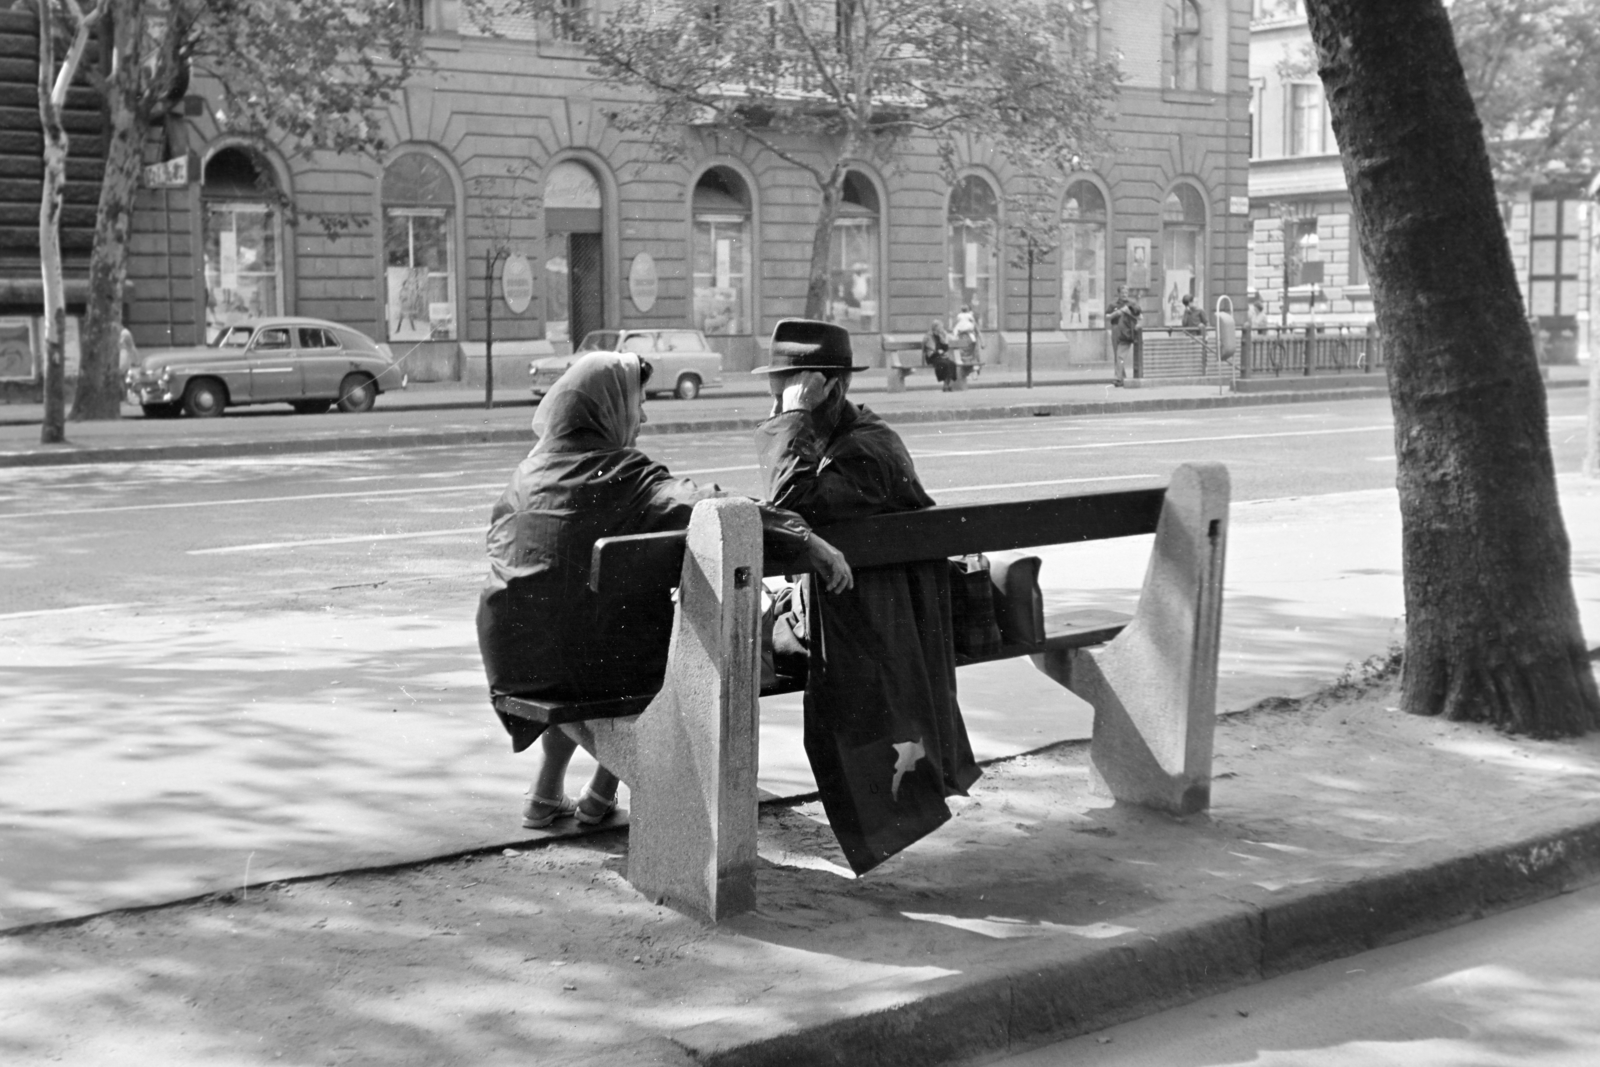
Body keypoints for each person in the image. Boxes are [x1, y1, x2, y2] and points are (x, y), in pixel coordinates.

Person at [477, 351, 853, 830]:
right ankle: (598, 794)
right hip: (597, 672)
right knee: (629, 636)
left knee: (579, 625)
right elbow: (716, 506)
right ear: (606, 409)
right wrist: (805, 537)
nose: (644, 415)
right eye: (637, 402)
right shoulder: (627, 478)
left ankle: (550, 792)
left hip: (516, 667)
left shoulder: (522, 479)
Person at [752, 319, 982, 875]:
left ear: (823, 387)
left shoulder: (865, 452)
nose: (775, 396)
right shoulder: (855, 436)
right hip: (879, 617)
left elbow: (787, 502)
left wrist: (792, 418)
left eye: (788, 385)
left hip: (883, 630)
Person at [1106, 286, 1141, 386]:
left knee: (1120, 355)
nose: (1124, 295)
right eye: (1122, 293)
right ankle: (1121, 377)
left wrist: (1128, 312)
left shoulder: (1132, 304)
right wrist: (1117, 312)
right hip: (1116, 328)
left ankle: (1119, 378)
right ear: (1119, 293)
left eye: (1126, 293)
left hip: (1127, 330)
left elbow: (1139, 316)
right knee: (1117, 354)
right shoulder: (1113, 304)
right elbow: (1107, 317)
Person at [922, 320, 956, 391]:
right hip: (932, 357)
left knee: (951, 364)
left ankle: (946, 384)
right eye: (941, 327)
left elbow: (945, 348)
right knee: (944, 363)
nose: (942, 329)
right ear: (936, 328)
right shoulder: (929, 336)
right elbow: (930, 350)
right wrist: (938, 352)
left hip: (939, 356)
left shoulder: (940, 336)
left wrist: (946, 336)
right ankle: (946, 385)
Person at [951, 305, 980, 372]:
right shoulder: (968, 317)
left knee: (968, 352)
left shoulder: (960, 316)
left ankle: (972, 366)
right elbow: (973, 322)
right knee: (968, 352)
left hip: (964, 336)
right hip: (966, 338)